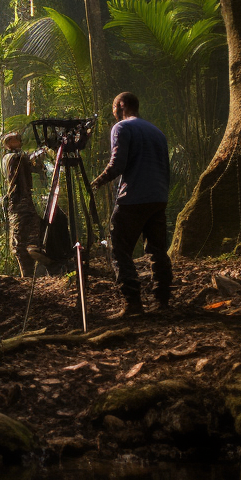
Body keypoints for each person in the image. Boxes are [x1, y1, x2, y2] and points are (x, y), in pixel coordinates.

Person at [91, 91, 172, 314]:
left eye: (114, 109)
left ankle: (133, 303)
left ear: (122, 105)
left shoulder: (122, 128)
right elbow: (166, 166)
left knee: (119, 249)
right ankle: (162, 302)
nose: (114, 114)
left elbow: (117, 164)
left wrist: (96, 183)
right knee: (158, 251)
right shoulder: (157, 131)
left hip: (133, 197)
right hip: (158, 197)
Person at [2, 131, 54, 276]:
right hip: (18, 200)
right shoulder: (11, 157)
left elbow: (33, 166)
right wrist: (35, 155)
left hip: (24, 199)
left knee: (31, 233)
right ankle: (26, 275)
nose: (18, 140)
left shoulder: (18, 157)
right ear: (8, 144)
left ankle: (31, 273)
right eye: (14, 139)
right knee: (20, 237)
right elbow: (23, 160)